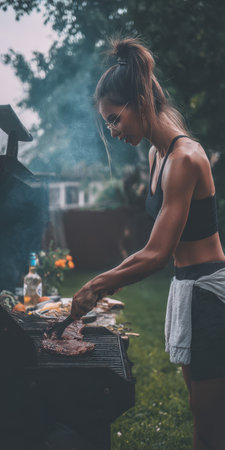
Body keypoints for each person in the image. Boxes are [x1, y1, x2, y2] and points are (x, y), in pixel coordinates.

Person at [71, 37, 225, 449]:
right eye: (108, 124)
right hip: (187, 288)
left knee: (211, 420)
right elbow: (158, 247)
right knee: (200, 409)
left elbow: (156, 254)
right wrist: (116, 275)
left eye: (115, 119)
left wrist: (96, 283)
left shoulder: (184, 159)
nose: (114, 130)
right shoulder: (157, 155)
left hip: (210, 293)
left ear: (140, 100)